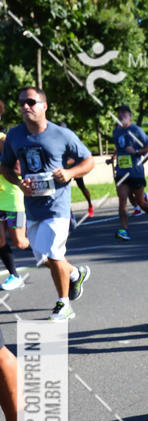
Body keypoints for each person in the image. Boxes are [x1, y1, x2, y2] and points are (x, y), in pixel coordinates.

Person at [0, 87, 93, 321]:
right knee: (45, 259)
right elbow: (5, 167)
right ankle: (74, 273)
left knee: (53, 253)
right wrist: (20, 184)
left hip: (58, 207)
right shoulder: (14, 135)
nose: (26, 107)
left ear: (44, 105)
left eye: (31, 102)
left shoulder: (62, 134)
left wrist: (70, 172)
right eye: (22, 103)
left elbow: (88, 160)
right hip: (33, 208)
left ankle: (64, 305)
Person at [112, 104, 148, 240]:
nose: (120, 116)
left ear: (130, 116)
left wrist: (136, 151)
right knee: (122, 199)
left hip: (136, 172)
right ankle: (124, 230)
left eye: (123, 113)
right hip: (121, 172)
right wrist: (113, 158)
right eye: (119, 113)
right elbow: (119, 149)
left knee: (140, 202)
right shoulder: (116, 132)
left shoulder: (136, 130)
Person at [0, 130, 29, 291]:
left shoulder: (3, 140)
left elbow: (18, 168)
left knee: (20, 242)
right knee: (0, 240)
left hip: (11, 201)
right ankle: (14, 276)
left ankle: (55, 258)